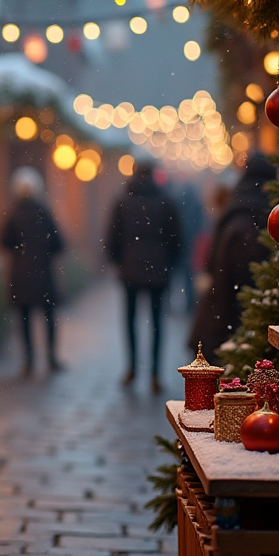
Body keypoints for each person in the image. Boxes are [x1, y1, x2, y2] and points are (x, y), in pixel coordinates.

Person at [188, 154, 276, 363]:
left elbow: (215, 266)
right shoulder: (262, 216)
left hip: (220, 315)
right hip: (234, 319)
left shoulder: (236, 210)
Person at [105, 161, 182, 392]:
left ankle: (132, 368)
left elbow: (112, 237)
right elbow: (177, 239)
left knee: (130, 320)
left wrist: (118, 261)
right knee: (158, 323)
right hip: (158, 271)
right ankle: (155, 373)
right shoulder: (166, 202)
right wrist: (169, 264)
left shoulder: (122, 202)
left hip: (130, 270)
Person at [0, 166, 66, 375]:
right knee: (49, 317)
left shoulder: (14, 216)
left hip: (21, 274)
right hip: (43, 274)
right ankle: (51, 359)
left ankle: (28, 361)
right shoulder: (44, 214)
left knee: (25, 319)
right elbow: (59, 243)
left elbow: (3, 240)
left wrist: (20, 252)